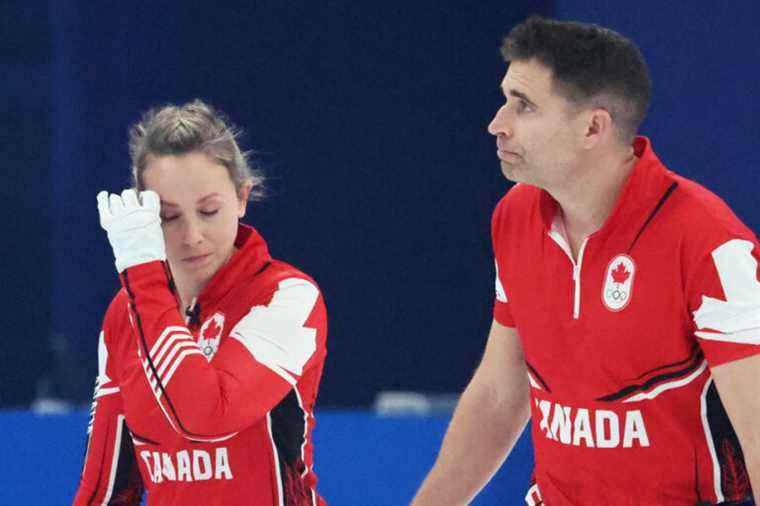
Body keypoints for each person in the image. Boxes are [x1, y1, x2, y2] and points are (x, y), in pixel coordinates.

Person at [412, 16, 759, 505]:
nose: (498, 124)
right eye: (506, 98)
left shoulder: (709, 244)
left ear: (593, 127)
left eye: (524, 105)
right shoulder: (514, 218)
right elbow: (498, 395)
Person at [73, 100, 328, 505]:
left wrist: (144, 276)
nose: (192, 235)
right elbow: (106, 489)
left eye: (209, 210)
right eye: (168, 218)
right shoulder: (126, 313)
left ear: (242, 198)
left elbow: (208, 417)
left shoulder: (287, 297)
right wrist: (145, 291)